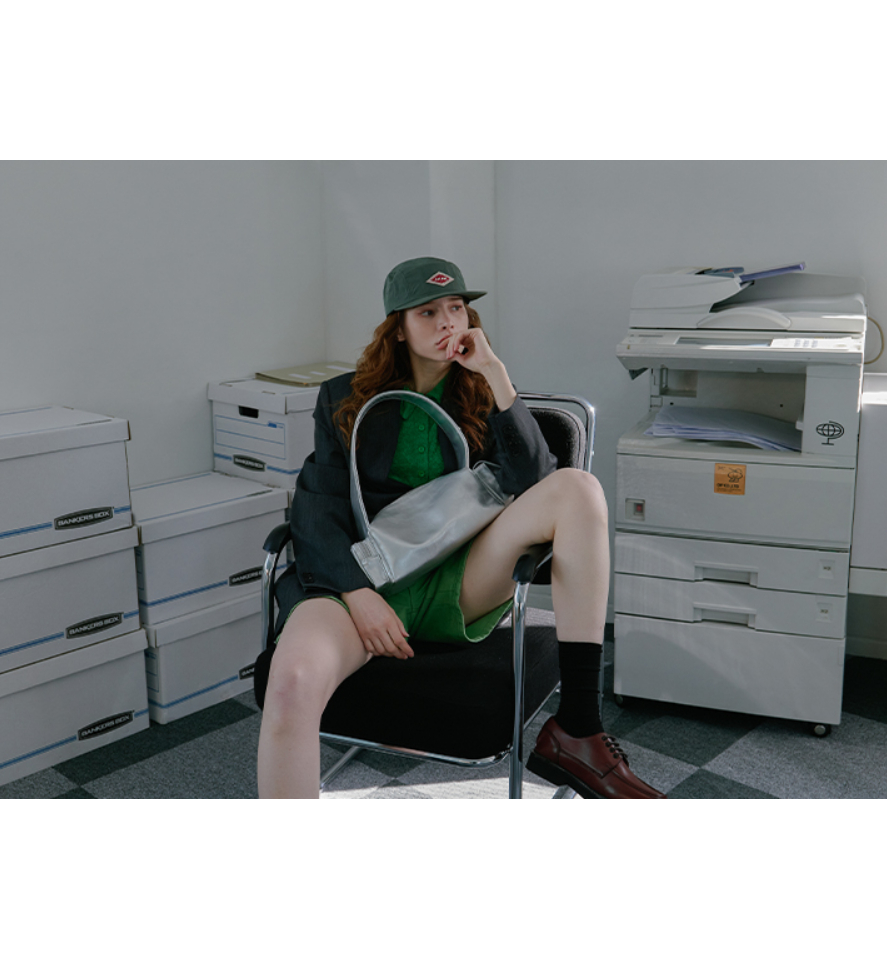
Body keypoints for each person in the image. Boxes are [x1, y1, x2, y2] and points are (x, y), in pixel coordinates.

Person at [257, 256, 666, 799]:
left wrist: (494, 374)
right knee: (291, 684)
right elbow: (316, 506)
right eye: (428, 312)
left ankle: (578, 727)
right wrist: (356, 593)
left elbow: (537, 483)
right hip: (359, 581)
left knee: (578, 489)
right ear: (397, 329)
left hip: (457, 579)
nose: (447, 321)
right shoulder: (342, 396)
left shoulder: (482, 390)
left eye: (456, 308)